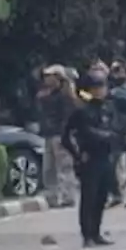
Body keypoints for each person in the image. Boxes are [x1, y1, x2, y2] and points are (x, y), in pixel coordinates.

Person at [62, 73, 126, 247]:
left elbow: (117, 128)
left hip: (106, 157)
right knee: (88, 198)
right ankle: (87, 234)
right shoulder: (82, 111)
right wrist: (77, 155)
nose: (100, 91)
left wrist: (116, 140)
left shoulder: (108, 108)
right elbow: (67, 136)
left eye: (102, 87)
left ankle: (96, 232)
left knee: (101, 197)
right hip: (89, 158)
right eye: (96, 88)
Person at [38, 65, 80, 208]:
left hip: (61, 135)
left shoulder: (66, 95)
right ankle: (52, 196)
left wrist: (65, 133)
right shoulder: (47, 95)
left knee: (64, 167)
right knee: (48, 168)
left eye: (50, 76)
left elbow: (68, 116)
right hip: (49, 134)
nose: (46, 79)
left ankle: (68, 197)